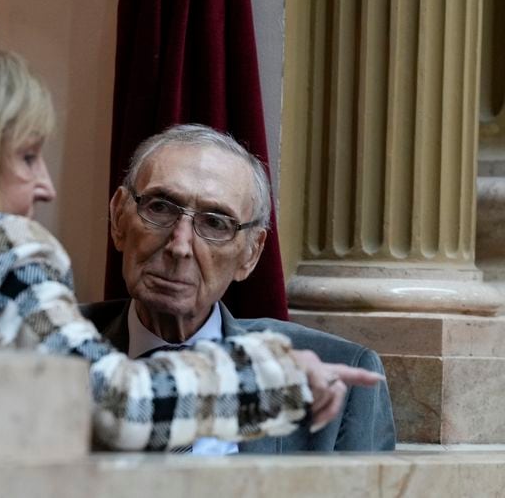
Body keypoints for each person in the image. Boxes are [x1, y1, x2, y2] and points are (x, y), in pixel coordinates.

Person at [0, 34, 382, 452]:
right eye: (27, 156)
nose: (45, 185)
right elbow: (116, 406)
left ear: (253, 251)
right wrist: (276, 376)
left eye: (215, 222)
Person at [81, 124, 395, 453]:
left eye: (215, 222)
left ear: (250, 254)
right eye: (160, 207)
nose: (180, 246)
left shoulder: (341, 376)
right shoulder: (45, 350)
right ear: (118, 217)